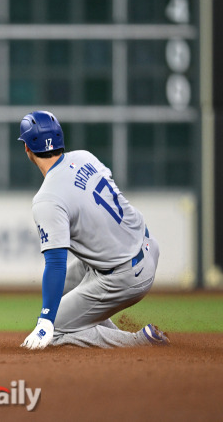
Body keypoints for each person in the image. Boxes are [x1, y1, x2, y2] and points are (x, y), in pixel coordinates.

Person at [17, 111, 169, 349]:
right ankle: (95, 324)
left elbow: (55, 263)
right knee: (61, 292)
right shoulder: (85, 157)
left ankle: (138, 342)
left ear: (26, 147)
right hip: (147, 245)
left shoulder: (47, 199)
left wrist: (46, 321)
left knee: (54, 330)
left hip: (126, 276)